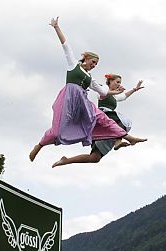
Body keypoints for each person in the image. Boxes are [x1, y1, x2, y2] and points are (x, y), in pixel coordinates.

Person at [29, 17, 147, 162]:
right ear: (86, 59)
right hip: (68, 99)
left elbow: (103, 91)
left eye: (96, 64)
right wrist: (56, 27)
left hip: (82, 101)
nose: (94, 65)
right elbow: (66, 46)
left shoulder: (91, 78)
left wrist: (116, 92)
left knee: (102, 118)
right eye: (93, 62)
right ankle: (39, 146)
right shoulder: (73, 65)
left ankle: (129, 138)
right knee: (58, 130)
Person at [52, 74, 146, 167]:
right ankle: (119, 141)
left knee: (95, 158)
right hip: (103, 117)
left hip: (106, 123)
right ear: (110, 81)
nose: (119, 84)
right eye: (117, 82)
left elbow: (123, 96)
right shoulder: (103, 89)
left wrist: (134, 89)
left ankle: (66, 160)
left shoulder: (114, 96)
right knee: (122, 121)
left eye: (120, 83)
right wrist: (113, 92)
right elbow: (102, 94)